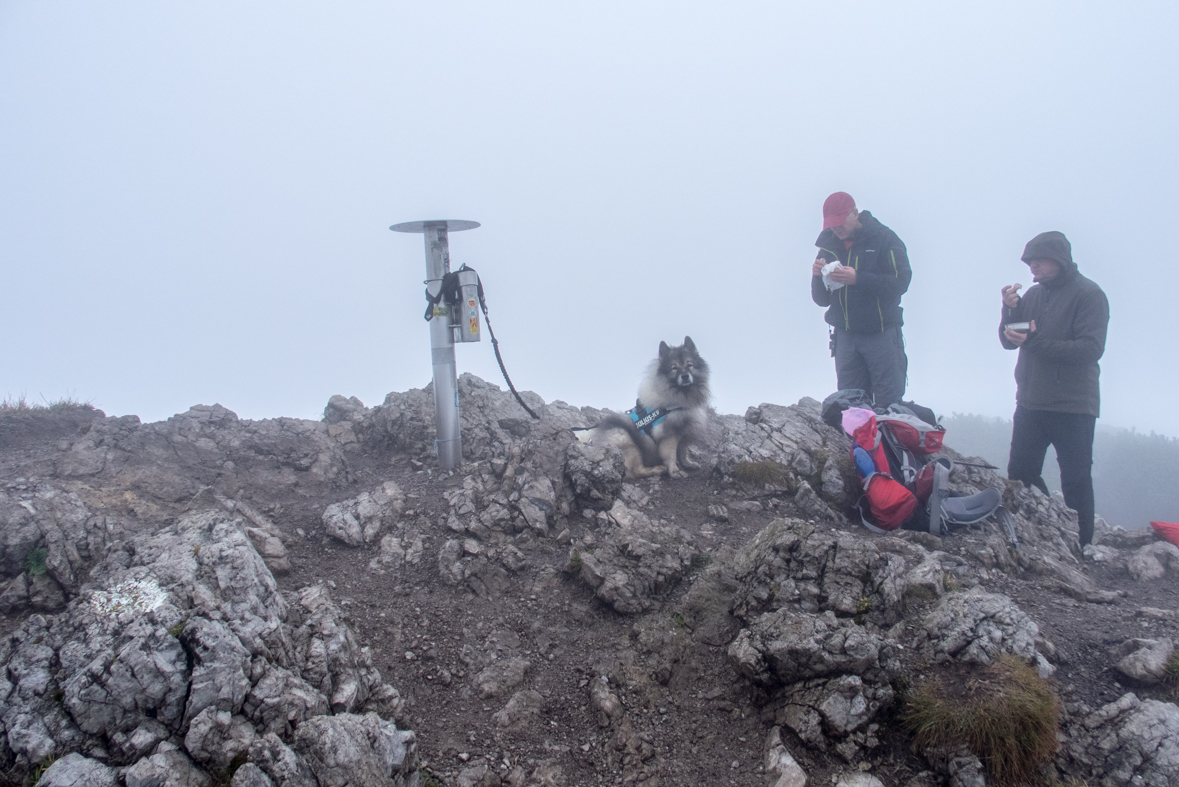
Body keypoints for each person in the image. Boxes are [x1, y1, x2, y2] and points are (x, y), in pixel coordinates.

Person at [999, 230, 1109, 548]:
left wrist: (1035, 341)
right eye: (1029, 261)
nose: (1032, 267)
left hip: (1074, 404)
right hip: (1031, 400)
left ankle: (1082, 545)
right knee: (1020, 475)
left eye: (1038, 260)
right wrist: (1009, 310)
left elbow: (1090, 349)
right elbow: (1008, 341)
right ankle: (1050, 529)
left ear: (1059, 259)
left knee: (1075, 480)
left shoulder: (1090, 295)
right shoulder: (1033, 296)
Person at [811, 192, 912, 408]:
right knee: (851, 408)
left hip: (881, 335)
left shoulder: (885, 239)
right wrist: (818, 277)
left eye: (839, 222)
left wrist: (858, 278)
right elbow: (821, 300)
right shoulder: (828, 246)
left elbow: (901, 282)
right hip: (846, 339)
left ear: (854, 214)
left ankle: (890, 442)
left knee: (889, 407)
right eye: (831, 224)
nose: (835, 229)